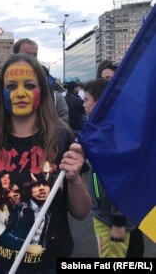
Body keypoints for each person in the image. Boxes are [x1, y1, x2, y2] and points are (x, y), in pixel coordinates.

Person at [0, 53, 91, 274]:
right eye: (11, 86)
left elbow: (81, 212)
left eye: (30, 85)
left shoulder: (62, 139)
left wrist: (74, 180)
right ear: (0, 93)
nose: (20, 93)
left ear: (42, 91)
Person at [83, 78, 139, 258]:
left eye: (86, 100)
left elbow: (123, 179)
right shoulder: (102, 129)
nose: (83, 105)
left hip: (111, 218)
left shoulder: (114, 133)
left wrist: (119, 221)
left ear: (98, 104)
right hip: (104, 213)